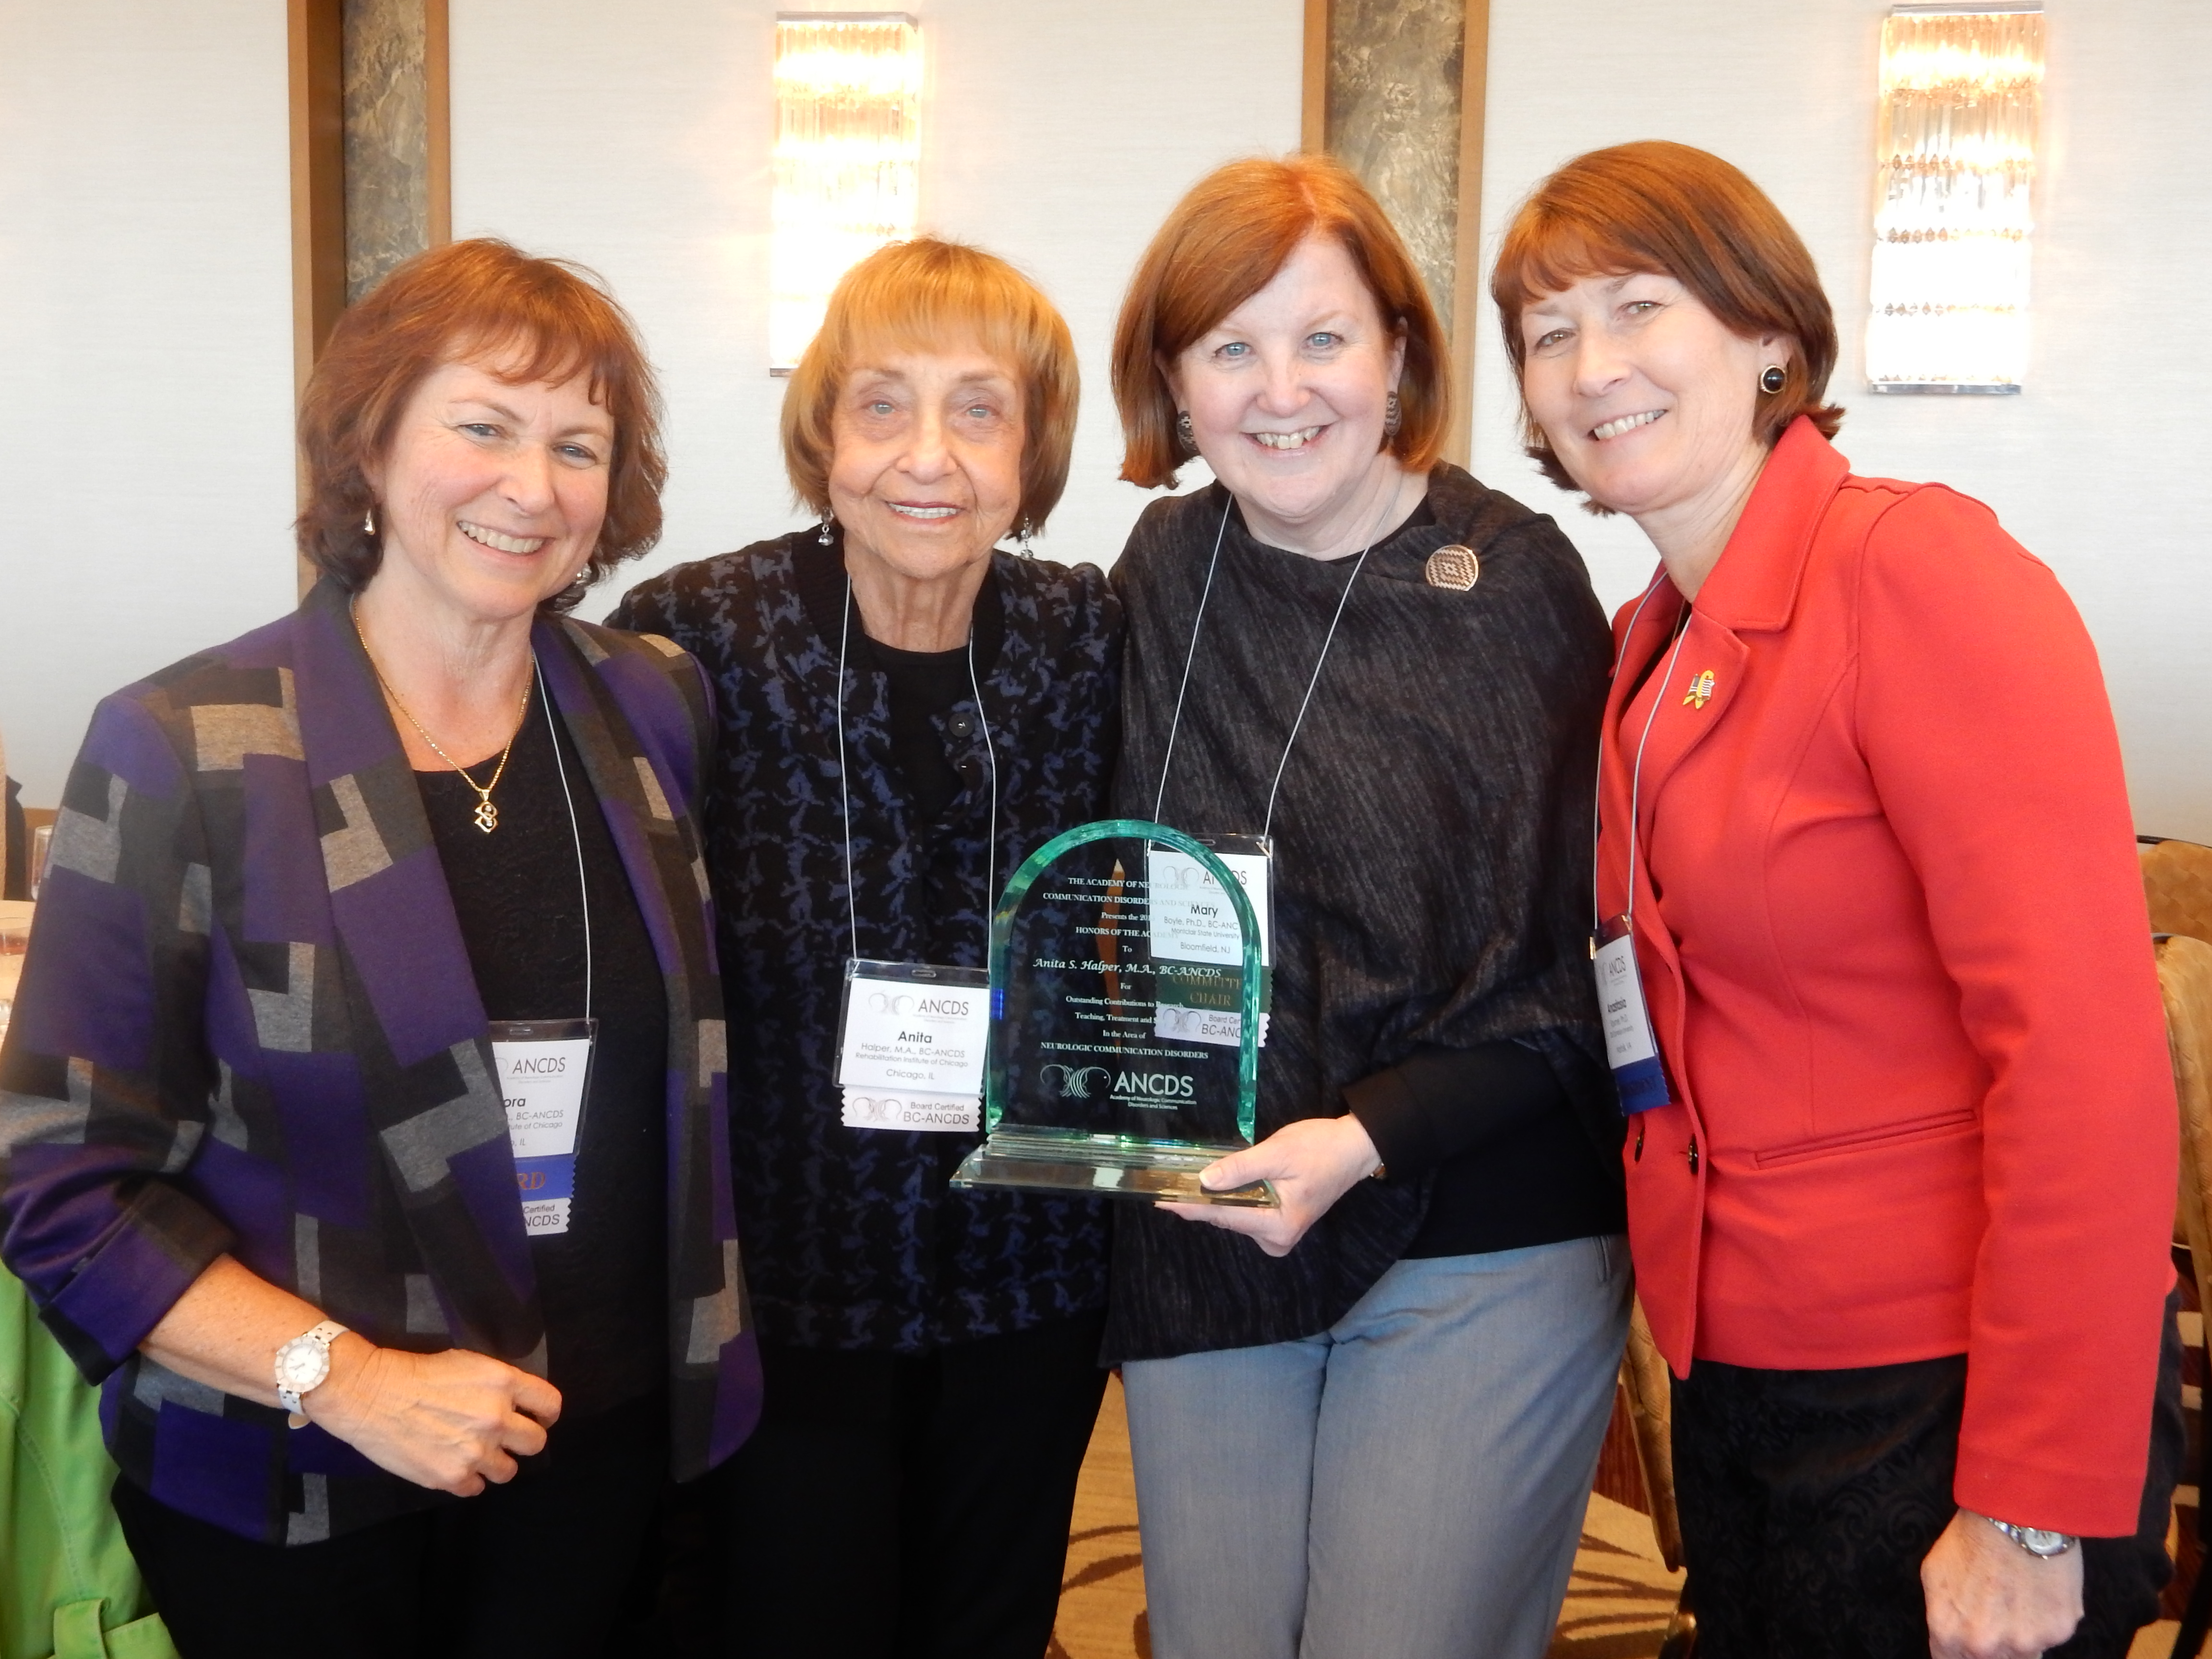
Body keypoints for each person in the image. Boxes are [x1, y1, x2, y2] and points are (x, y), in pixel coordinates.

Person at [0, 239, 759, 1659]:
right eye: (482, 425)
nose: (530, 487)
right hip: (300, 1481)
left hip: (593, 1445)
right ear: (373, 443)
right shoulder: (189, 747)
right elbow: (57, 1178)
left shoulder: (651, 706)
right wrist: (339, 1378)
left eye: (577, 445)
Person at [1492, 140, 2181, 1659]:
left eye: (1636, 305)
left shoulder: (1911, 573)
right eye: (1548, 333)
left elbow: (2085, 1062)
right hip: (1748, 1371)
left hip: (1945, 1392)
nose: (1591, 364)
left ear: (1766, 335)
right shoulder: (1647, 646)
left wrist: (2029, 1504)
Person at [1102, 154, 1628, 1659]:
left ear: (1400, 351)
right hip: (1212, 1221)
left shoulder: (1511, 580)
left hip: (1477, 1220)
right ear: (1176, 380)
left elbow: (1574, 967)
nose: (1282, 390)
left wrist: (1360, 1139)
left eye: (1324, 337)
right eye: (1232, 347)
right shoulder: (1163, 571)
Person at [607, 236, 1119, 1659]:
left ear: (1033, 449)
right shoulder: (696, 634)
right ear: (824, 434)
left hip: (1033, 1264)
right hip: (782, 1273)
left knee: (992, 1621)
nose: (928, 456)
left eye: (979, 407)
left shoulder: (1087, 636)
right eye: (883, 403)